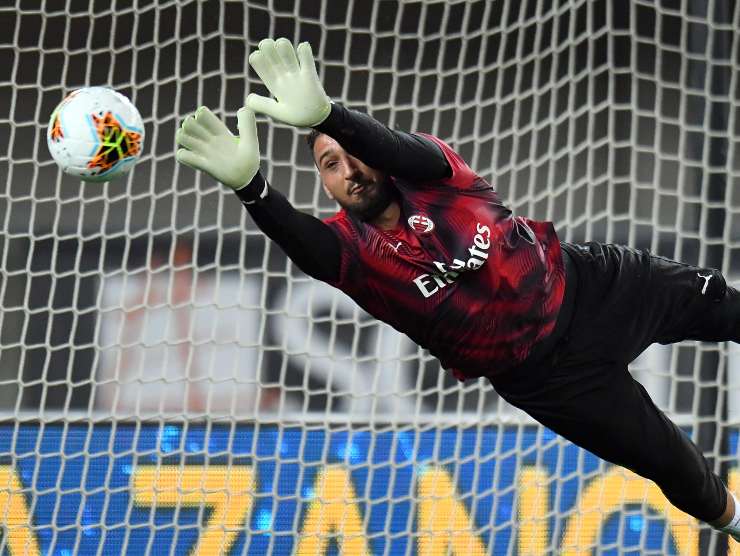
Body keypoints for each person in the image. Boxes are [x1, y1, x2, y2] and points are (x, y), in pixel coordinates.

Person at [175, 38, 740, 541]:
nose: (348, 168)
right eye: (329, 164)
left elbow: (393, 147)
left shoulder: (433, 173)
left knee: (727, 308)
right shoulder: (350, 255)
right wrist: (252, 187)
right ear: (323, 184)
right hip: (550, 380)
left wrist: (329, 116)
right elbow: (300, 242)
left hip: (594, 287)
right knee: (677, 470)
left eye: (351, 152)